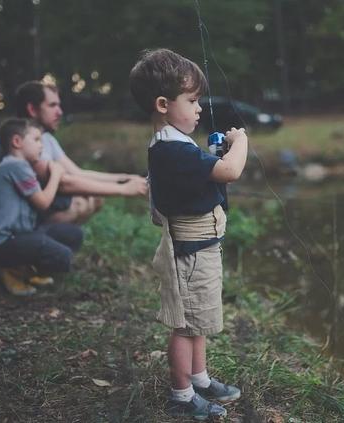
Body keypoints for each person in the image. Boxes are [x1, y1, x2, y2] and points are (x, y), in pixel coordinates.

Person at [129, 48, 248, 420]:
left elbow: (203, 174)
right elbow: (229, 172)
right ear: (163, 104)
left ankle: (199, 377)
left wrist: (216, 152)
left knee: (198, 321)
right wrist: (240, 142)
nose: (199, 108)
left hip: (202, 247)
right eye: (193, 100)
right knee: (185, 326)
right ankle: (182, 395)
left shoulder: (175, 144)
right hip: (191, 252)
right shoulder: (170, 148)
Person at [0, 80, 148, 239]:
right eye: (52, 105)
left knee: (93, 198)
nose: (60, 112)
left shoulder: (44, 138)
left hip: (15, 211)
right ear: (32, 109)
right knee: (78, 202)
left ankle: (41, 250)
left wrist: (125, 177)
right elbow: (64, 183)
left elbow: (77, 173)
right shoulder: (22, 141)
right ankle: (25, 256)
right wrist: (123, 189)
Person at [0, 118, 84, 296]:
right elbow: (43, 202)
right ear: (17, 142)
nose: (41, 146)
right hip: (3, 244)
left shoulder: (21, 166)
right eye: (37, 140)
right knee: (63, 256)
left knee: (74, 234)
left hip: (21, 235)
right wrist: (56, 173)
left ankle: (26, 269)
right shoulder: (14, 166)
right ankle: (10, 270)